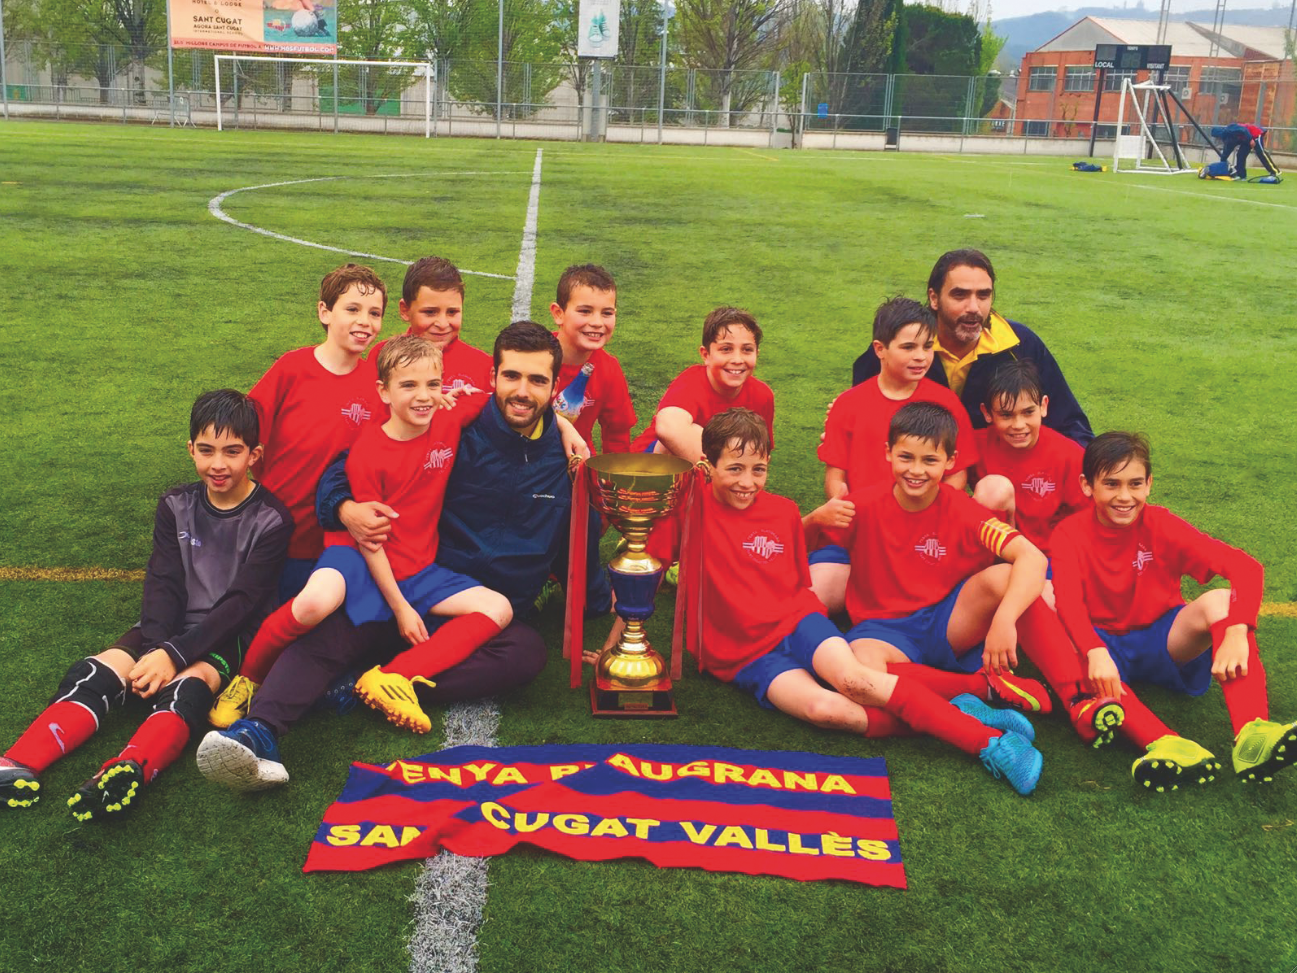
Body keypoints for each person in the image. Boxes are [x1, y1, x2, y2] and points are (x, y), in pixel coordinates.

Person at [196, 322, 610, 792]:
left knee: (526, 654)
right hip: (412, 576)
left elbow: (581, 531)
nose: (522, 391)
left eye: (537, 380)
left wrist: (600, 601)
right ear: (492, 377)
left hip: (471, 609)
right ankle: (260, 729)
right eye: (511, 376)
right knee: (333, 630)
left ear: (555, 387)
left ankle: (369, 684)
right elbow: (348, 466)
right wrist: (345, 508)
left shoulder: (569, 456)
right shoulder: (454, 420)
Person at [599, 408, 1046, 795]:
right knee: (828, 710)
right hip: (742, 656)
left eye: (758, 469)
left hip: (797, 622)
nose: (747, 481)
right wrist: (615, 647)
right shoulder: (688, 509)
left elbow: (797, 586)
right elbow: (647, 572)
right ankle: (953, 706)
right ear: (707, 466)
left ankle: (988, 744)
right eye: (734, 468)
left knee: (856, 680)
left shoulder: (782, 512)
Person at [0, 391, 291, 817]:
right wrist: (157, 646)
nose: (218, 464)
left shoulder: (273, 519)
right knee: (98, 670)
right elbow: (162, 581)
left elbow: (241, 604)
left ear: (255, 454)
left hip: (227, 635)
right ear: (190, 448)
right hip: (165, 626)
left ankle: (128, 769)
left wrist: (174, 656)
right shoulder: (175, 504)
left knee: (188, 688)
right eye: (206, 450)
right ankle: (16, 764)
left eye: (232, 452)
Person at [212, 334, 511, 736]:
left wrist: (564, 427)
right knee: (315, 603)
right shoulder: (369, 451)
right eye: (408, 386)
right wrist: (402, 607)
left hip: (418, 565)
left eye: (432, 385)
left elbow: (499, 400)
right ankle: (249, 677)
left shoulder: (448, 417)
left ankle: (393, 677)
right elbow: (370, 540)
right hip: (359, 557)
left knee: (498, 607)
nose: (423, 396)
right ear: (382, 392)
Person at [817, 402, 1125, 750]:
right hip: (883, 632)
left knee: (1005, 576)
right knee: (860, 669)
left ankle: (1077, 699)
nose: (916, 470)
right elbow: (800, 548)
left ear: (950, 461)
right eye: (907, 457)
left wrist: (1004, 621)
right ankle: (985, 689)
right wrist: (815, 520)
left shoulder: (961, 508)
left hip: (948, 620)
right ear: (889, 453)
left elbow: (1031, 557)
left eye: (930, 460)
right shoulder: (862, 505)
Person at [1051, 432, 1296, 792]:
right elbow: (1069, 603)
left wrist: (1236, 630)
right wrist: (1094, 650)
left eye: (1135, 483)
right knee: (1064, 638)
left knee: (1221, 601)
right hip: (1105, 646)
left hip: (1163, 639)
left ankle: (1252, 735)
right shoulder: (1068, 534)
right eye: (1111, 484)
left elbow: (1246, 568)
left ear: (1149, 484)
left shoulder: (1161, 523)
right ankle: (1165, 743)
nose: (1124, 496)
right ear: (1087, 486)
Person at [810, 296, 977, 613]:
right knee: (813, 597)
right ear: (879, 349)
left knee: (934, 600)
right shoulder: (849, 403)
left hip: (923, 532)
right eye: (908, 347)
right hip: (859, 537)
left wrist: (924, 510)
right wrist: (841, 502)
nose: (921, 357)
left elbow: (958, 473)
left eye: (928, 347)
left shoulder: (946, 404)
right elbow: (836, 474)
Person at [246, 263, 388, 604]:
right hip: (268, 531)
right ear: (324, 312)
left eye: (374, 313)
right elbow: (246, 438)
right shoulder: (292, 369)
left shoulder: (377, 385)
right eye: (352, 309)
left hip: (329, 542)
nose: (365, 321)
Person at [851, 249, 1093, 446]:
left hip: (998, 468)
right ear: (934, 298)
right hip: (920, 463)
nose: (974, 307)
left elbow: (1069, 422)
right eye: (960, 295)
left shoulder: (1020, 343)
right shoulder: (901, 345)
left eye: (983, 295)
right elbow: (862, 412)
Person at [968, 359, 1089, 562]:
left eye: (1028, 412)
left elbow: (1089, 518)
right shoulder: (975, 445)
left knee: (1048, 593)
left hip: (1048, 557)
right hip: (995, 554)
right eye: (1006, 415)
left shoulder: (1069, 455)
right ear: (987, 413)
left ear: (1043, 406)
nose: (1018, 424)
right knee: (993, 489)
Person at [630, 306, 774, 461]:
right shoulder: (692, 382)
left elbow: (760, 451)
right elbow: (668, 430)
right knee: (691, 433)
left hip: (706, 470)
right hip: (645, 463)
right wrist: (719, 475)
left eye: (747, 350)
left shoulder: (762, 395)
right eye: (726, 349)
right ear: (706, 355)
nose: (737, 359)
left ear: (756, 354)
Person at [368, 255, 493, 396]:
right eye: (430, 312)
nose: (442, 324)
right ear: (405, 310)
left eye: (452, 312)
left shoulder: (484, 366)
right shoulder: (381, 355)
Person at [549, 263, 636, 456]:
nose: (597, 323)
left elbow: (617, 434)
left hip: (576, 462)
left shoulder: (609, 368)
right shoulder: (532, 355)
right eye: (585, 311)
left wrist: (613, 479)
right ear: (558, 313)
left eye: (607, 313)